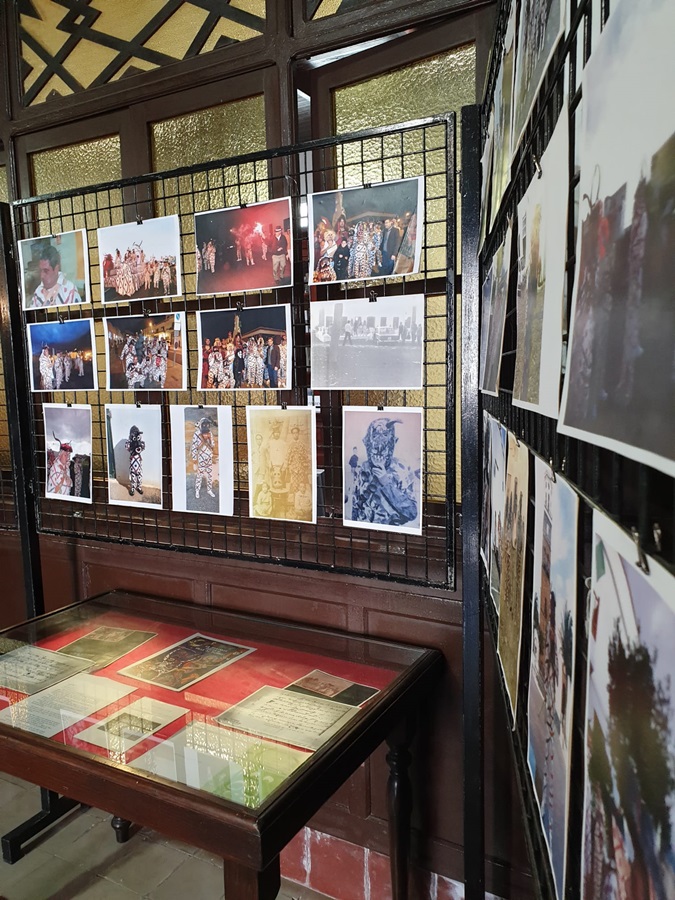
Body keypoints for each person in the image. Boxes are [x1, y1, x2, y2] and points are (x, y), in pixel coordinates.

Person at [191, 417, 216, 500]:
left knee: (210, 475)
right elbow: (194, 447)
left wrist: (209, 439)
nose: (206, 426)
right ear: (201, 425)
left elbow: (213, 445)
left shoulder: (210, 433)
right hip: (201, 457)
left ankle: (209, 490)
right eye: (204, 424)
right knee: (200, 475)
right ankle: (197, 490)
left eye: (207, 425)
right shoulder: (196, 434)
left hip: (209, 457)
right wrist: (194, 460)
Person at [125, 425, 145, 496]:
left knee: (139, 474)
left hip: (138, 460)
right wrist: (132, 443)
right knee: (133, 474)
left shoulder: (140, 442)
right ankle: (132, 488)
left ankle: (139, 487)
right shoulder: (129, 442)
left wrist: (138, 443)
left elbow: (142, 447)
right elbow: (127, 447)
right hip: (133, 459)